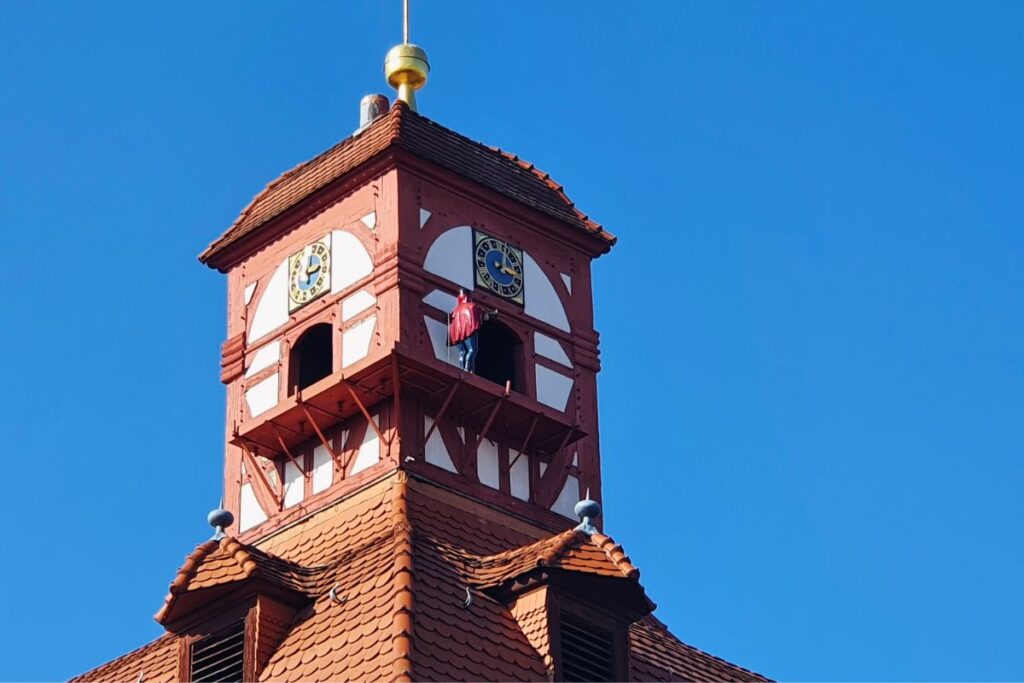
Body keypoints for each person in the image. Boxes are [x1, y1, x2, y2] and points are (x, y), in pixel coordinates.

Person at [448, 289, 496, 373]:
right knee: (473, 349)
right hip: (468, 332)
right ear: (468, 296)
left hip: (457, 334)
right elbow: (483, 315)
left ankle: (462, 368)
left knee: (462, 351)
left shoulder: (454, 311)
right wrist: (489, 314)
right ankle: (467, 369)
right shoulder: (472, 306)